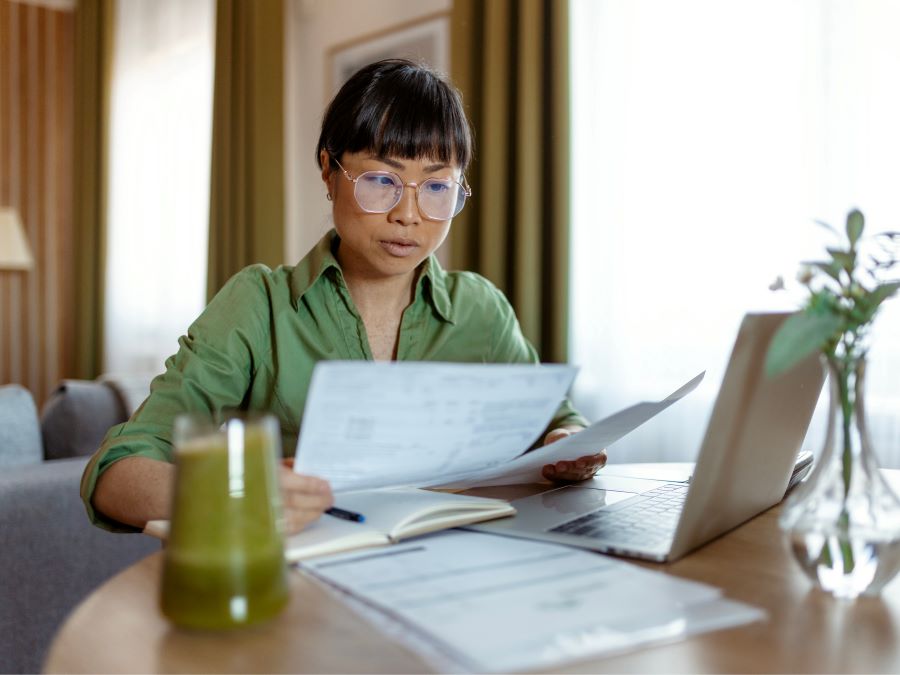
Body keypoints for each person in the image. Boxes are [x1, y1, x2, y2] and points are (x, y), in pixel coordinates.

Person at [81, 59, 606, 535]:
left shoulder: (481, 310)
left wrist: (568, 445)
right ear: (329, 172)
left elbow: (558, 421)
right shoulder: (260, 303)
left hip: (459, 574)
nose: (409, 214)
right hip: (307, 583)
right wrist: (234, 494)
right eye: (382, 180)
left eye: (437, 187)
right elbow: (116, 472)